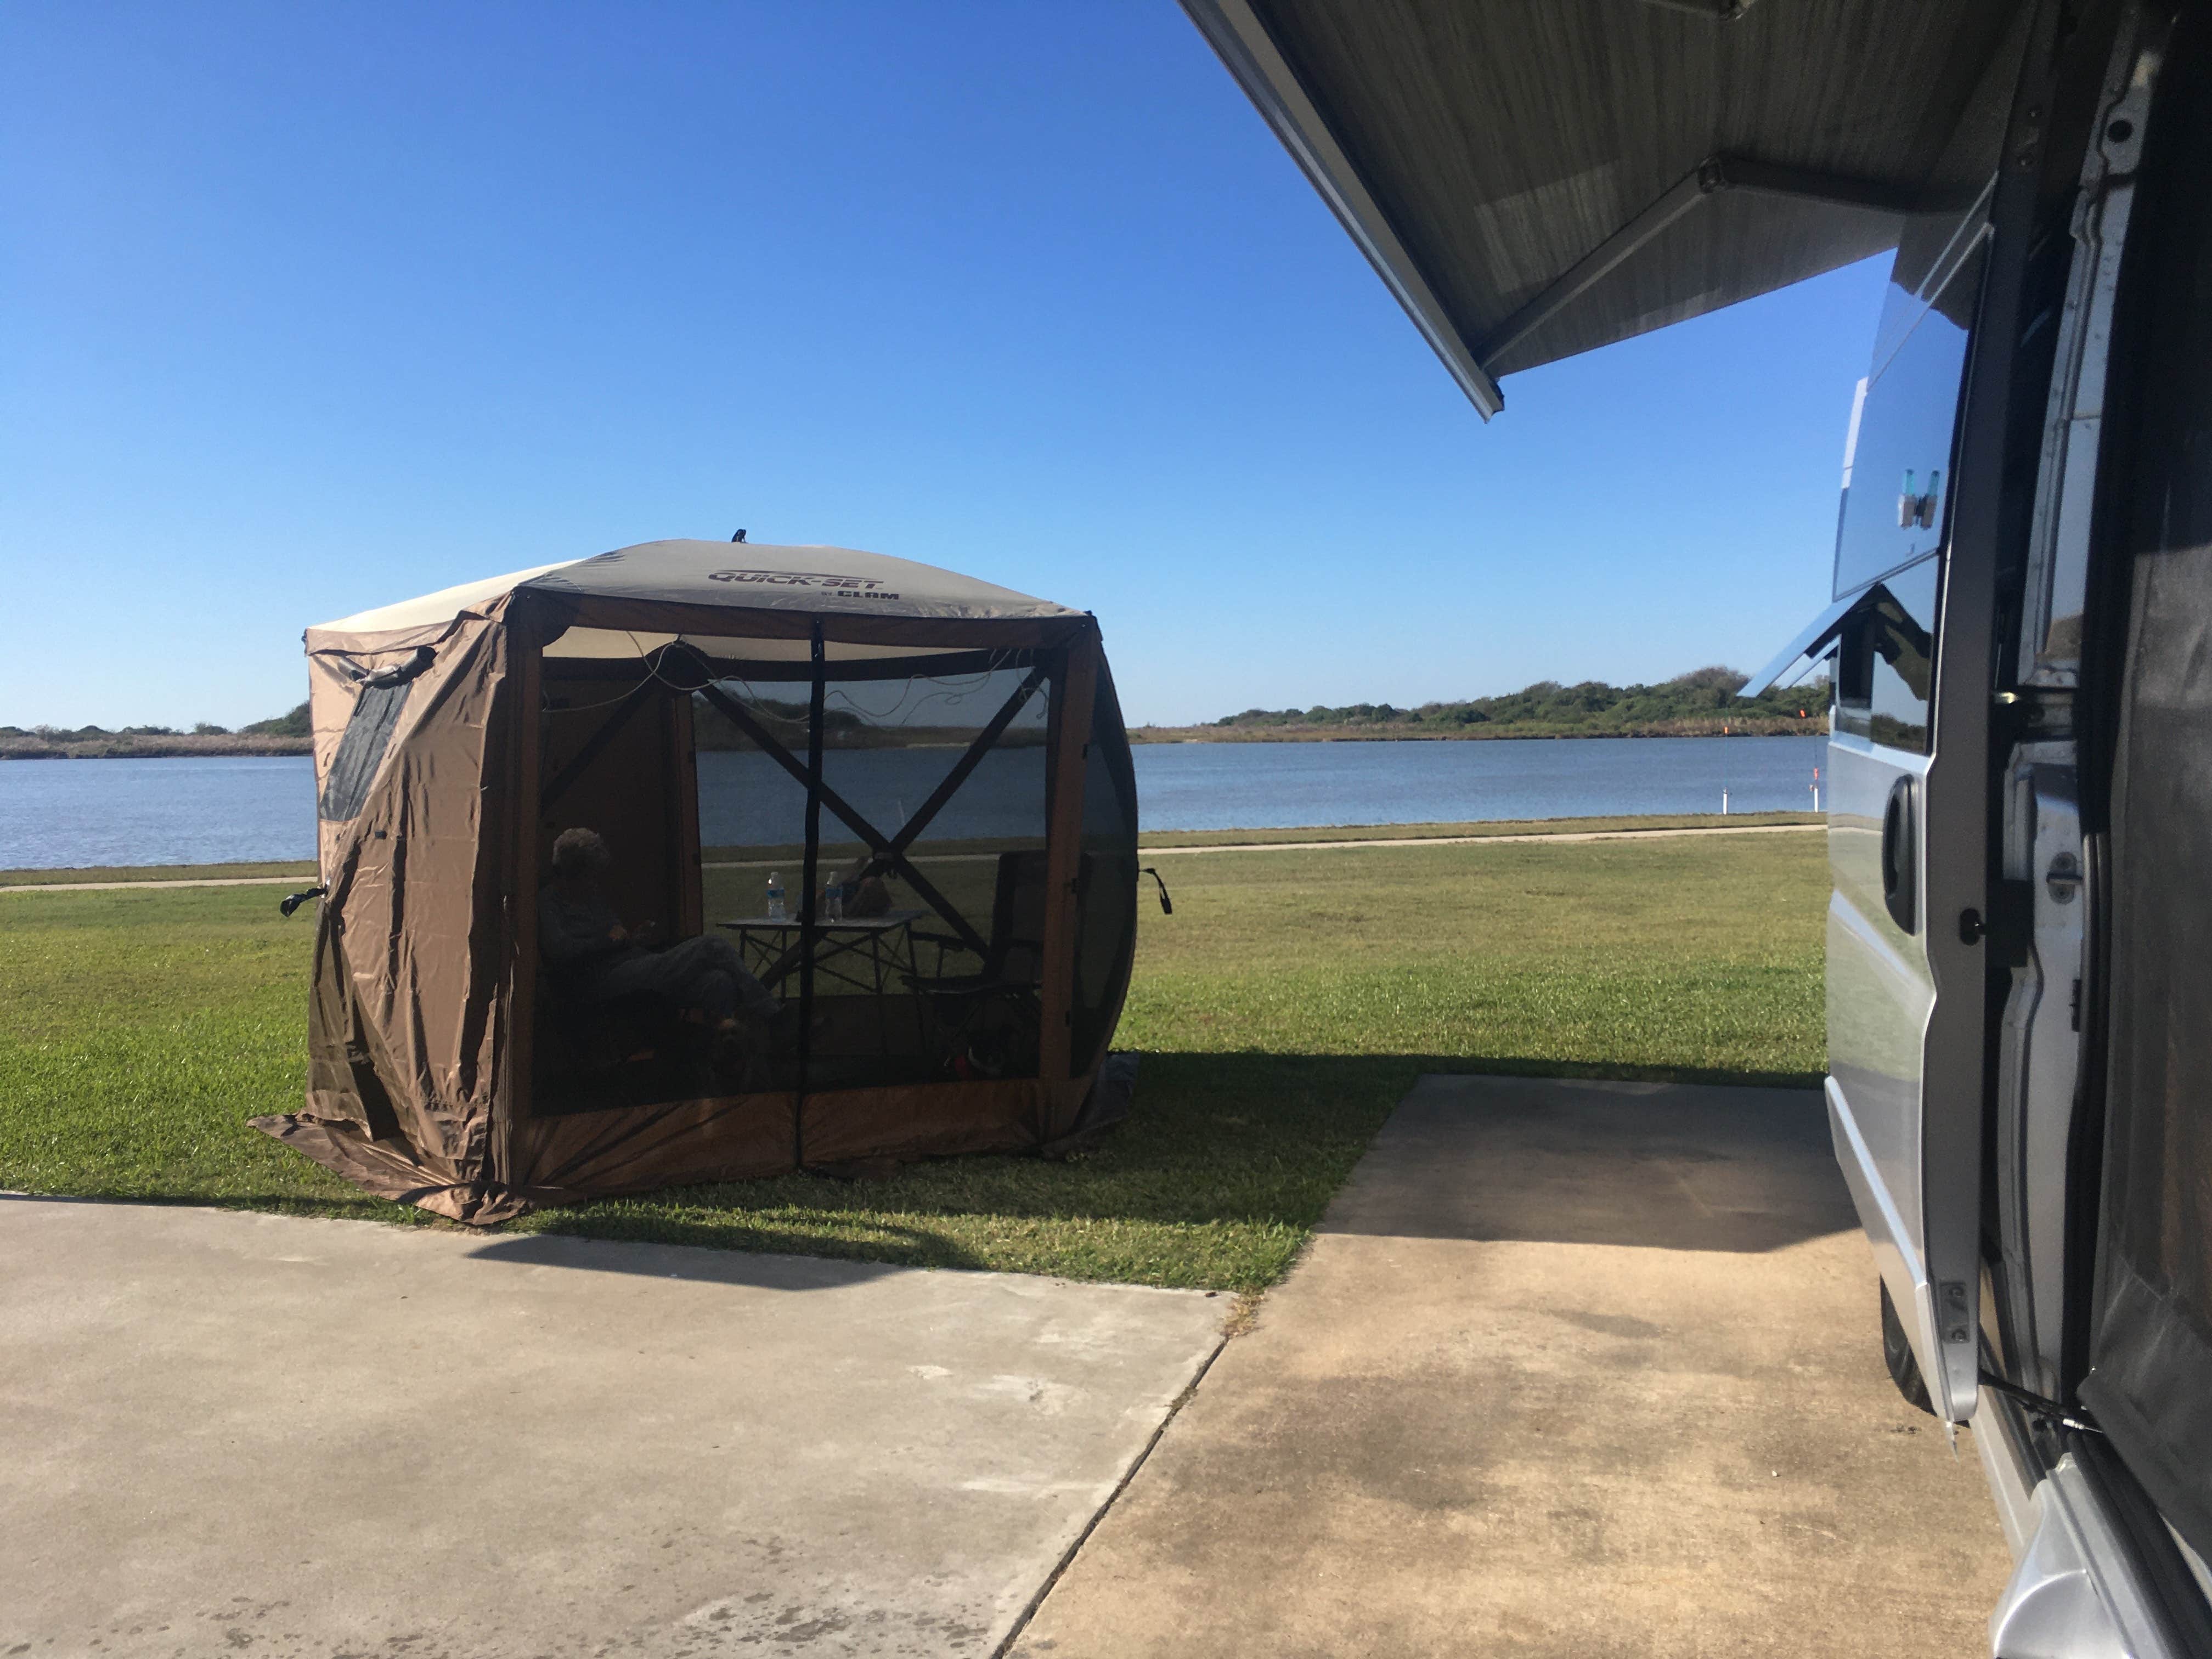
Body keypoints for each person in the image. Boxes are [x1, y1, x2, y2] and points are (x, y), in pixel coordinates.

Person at [539, 828, 782, 1043]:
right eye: (591, 875)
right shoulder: (549, 905)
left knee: (719, 981)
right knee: (712, 946)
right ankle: (773, 1015)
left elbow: (616, 934)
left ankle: (718, 1055)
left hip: (632, 964)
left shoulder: (592, 899)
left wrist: (631, 938)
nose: (595, 883)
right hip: (602, 980)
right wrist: (608, 942)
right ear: (574, 873)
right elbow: (562, 952)